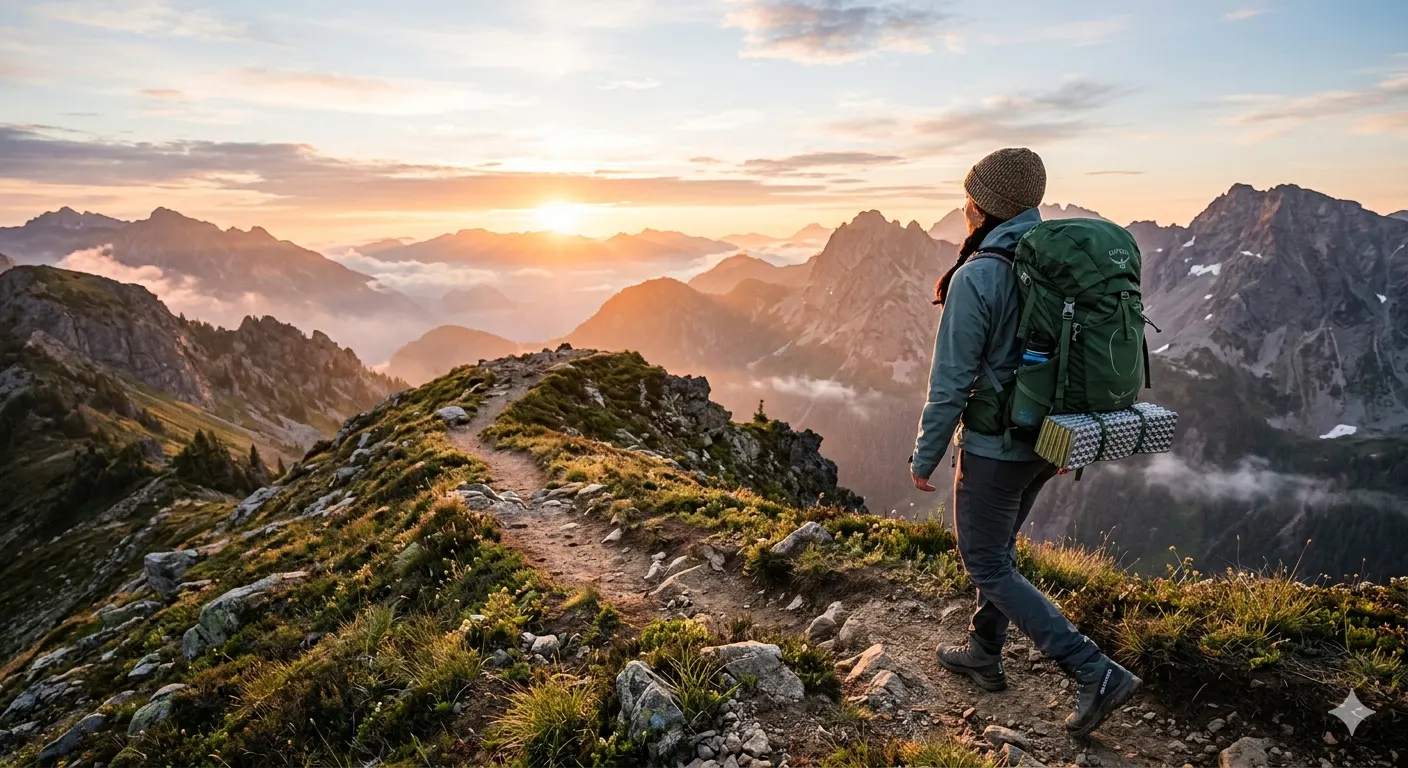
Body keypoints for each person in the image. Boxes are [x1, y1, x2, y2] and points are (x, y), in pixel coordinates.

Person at [909, 147, 1141, 738]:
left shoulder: (980, 274)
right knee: (1001, 554)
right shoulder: (1056, 261)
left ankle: (1094, 670)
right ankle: (984, 653)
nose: (965, 206)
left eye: (970, 197)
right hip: (1049, 442)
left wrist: (926, 453)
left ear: (983, 206)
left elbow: (951, 379)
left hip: (995, 445)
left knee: (986, 563)